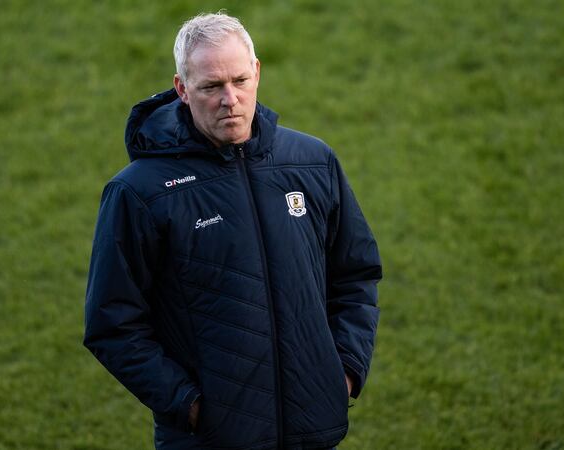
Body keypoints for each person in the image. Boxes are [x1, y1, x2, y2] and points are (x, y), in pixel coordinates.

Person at [83, 12, 381, 450]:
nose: (231, 99)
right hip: (209, 440)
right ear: (182, 89)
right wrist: (189, 406)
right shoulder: (139, 192)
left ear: (257, 72)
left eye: (241, 80)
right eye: (211, 87)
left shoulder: (313, 163)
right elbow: (113, 322)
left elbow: (355, 274)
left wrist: (345, 372)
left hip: (313, 428)